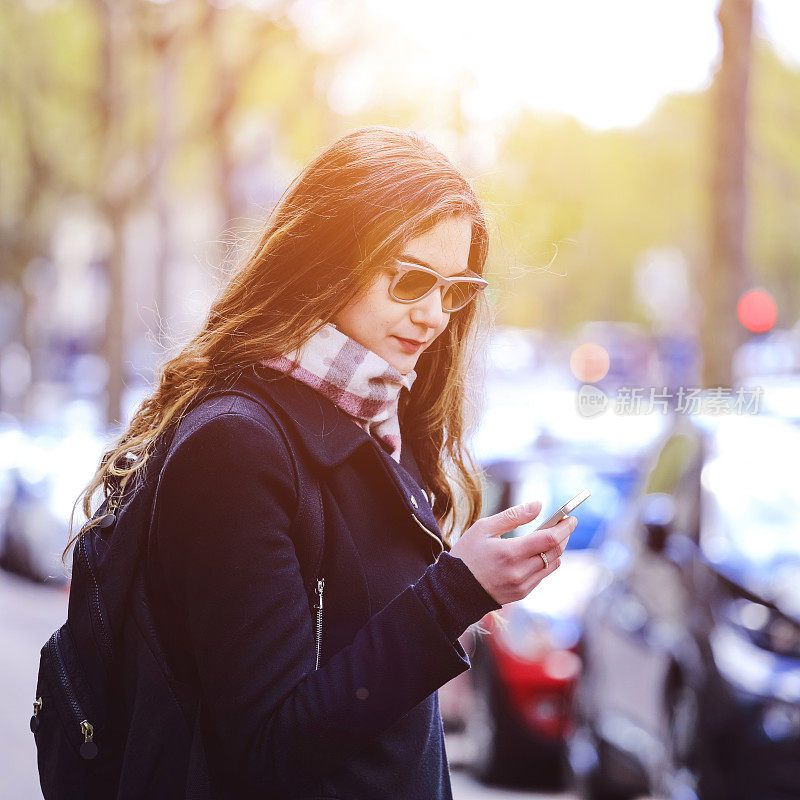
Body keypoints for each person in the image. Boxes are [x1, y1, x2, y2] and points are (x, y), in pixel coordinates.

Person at [69, 125, 576, 799]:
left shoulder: (377, 422)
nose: (433, 315)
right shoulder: (237, 447)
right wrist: (452, 592)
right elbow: (265, 749)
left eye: (454, 289)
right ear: (330, 260)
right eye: (410, 278)